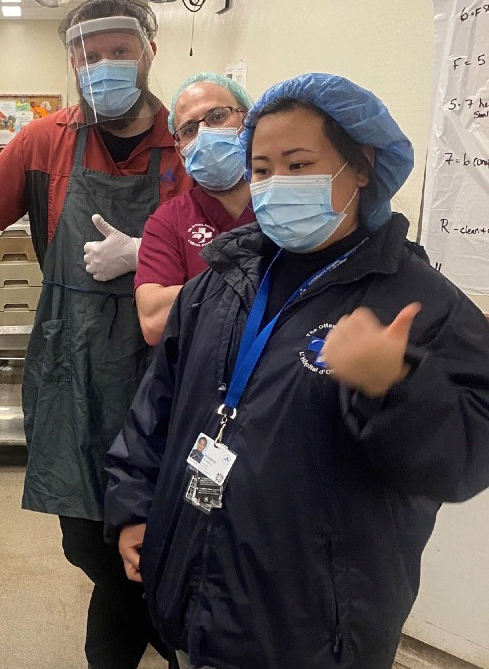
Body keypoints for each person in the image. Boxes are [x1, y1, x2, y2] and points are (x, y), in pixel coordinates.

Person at [104, 73, 489, 669]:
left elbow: (466, 461)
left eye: (299, 163)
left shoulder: (416, 303)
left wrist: (396, 385)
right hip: (197, 586)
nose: (275, 184)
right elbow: (155, 409)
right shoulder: (218, 286)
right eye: (260, 168)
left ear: (361, 166)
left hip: (314, 630)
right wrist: (133, 508)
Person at [0, 1, 189, 665]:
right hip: (75, 361)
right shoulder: (45, 142)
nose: (103, 65)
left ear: (148, 52)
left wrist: (148, 249)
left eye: (118, 50)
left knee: (156, 531)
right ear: (71, 61)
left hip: (165, 365)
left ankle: (152, 642)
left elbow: (226, 242)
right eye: (89, 55)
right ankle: (168, 632)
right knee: (87, 538)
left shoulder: (186, 140)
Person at [135, 73, 255, 345]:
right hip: (201, 378)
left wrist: (191, 294)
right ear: (180, 151)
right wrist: (261, 290)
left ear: (249, 121)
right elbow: (154, 321)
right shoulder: (169, 221)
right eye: (189, 130)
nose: (205, 134)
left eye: (217, 116)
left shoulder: (285, 203)